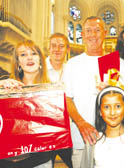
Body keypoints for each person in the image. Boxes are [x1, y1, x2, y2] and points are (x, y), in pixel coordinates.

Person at [63, 16, 124, 168]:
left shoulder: (117, 62)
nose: (93, 35)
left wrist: (115, 89)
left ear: (105, 33)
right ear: (83, 34)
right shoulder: (72, 64)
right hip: (82, 136)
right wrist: (81, 124)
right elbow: (66, 99)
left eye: (97, 30)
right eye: (88, 30)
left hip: (113, 138)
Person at [0, 40, 53, 168]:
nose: (29, 57)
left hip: (39, 160)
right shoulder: (5, 85)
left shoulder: (52, 90)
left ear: (40, 59)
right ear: (18, 62)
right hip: (7, 160)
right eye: (23, 54)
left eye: (33, 53)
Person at [81, 86, 124, 168]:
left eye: (118, 106)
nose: (112, 112)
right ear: (100, 111)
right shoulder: (92, 141)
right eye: (106, 107)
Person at [47, 32, 73, 168]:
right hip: (45, 130)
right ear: (48, 48)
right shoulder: (39, 69)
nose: (57, 50)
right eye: (53, 46)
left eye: (61, 46)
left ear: (68, 50)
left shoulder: (72, 70)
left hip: (67, 130)